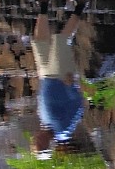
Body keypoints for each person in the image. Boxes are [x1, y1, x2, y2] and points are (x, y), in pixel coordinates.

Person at [30, 13, 84, 152]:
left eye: (35, 140)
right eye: (39, 143)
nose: (36, 138)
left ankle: (43, 6)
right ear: (47, 145)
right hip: (60, 77)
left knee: (39, 42)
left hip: (44, 76)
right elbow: (78, 106)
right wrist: (71, 86)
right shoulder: (63, 130)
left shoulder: (44, 123)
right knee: (61, 40)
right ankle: (80, 6)